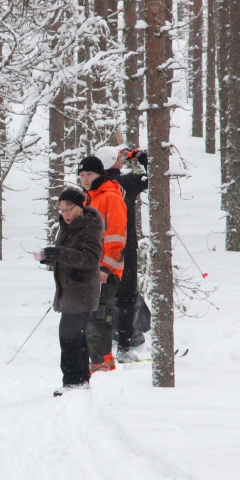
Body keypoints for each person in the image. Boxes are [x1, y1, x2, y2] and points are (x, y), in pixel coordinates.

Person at [39, 188, 103, 396]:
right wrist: (51, 257)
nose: (64, 214)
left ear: (80, 206)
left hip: (82, 290)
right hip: (69, 290)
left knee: (70, 336)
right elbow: (69, 256)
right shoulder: (66, 226)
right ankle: (79, 380)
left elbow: (89, 259)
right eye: (61, 210)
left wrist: (59, 253)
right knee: (74, 336)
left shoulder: (89, 225)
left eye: (69, 209)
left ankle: (75, 381)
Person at [78, 155, 127, 374]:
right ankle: (102, 363)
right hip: (91, 268)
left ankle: (100, 365)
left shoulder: (110, 197)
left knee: (98, 317)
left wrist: (106, 267)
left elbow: (116, 236)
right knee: (94, 317)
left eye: (89, 174)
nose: (85, 179)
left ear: (100, 174)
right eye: (81, 175)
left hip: (106, 269)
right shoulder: (88, 199)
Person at [106, 149, 150, 363]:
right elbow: (155, 177)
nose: (121, 160)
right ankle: (124, 345)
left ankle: (101, 346)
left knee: (103, 296)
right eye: (118, 158)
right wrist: (142, 158)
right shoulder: (125, 182)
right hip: (124, 248)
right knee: (126, 297)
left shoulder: (92, 186)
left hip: (99, 249)